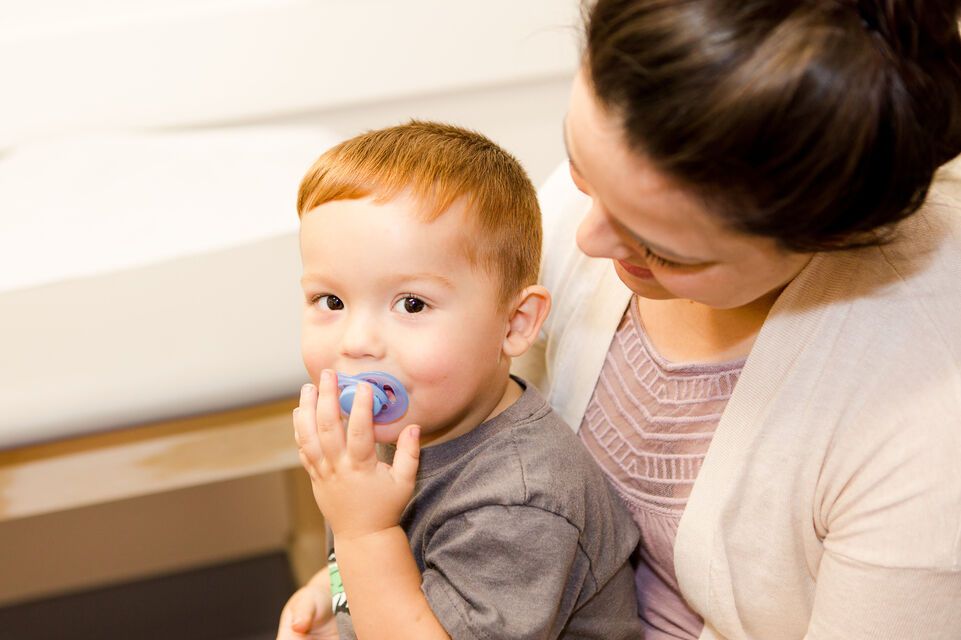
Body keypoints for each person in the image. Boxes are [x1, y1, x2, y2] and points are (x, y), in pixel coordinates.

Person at [511, 0, 961, 638]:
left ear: (832, 233)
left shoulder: (926, 428)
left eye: (663, 250)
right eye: (583, 170)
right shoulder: (643, 167)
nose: (584, 239)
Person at [278, 121, 645, 639]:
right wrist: (328, 592)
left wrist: (363, 530)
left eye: (412, 304)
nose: (356, 341)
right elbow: (404, 569)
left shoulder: (521, 501)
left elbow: (379, 547)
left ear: (515, 323)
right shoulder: (406, 419)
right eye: (330, 302)